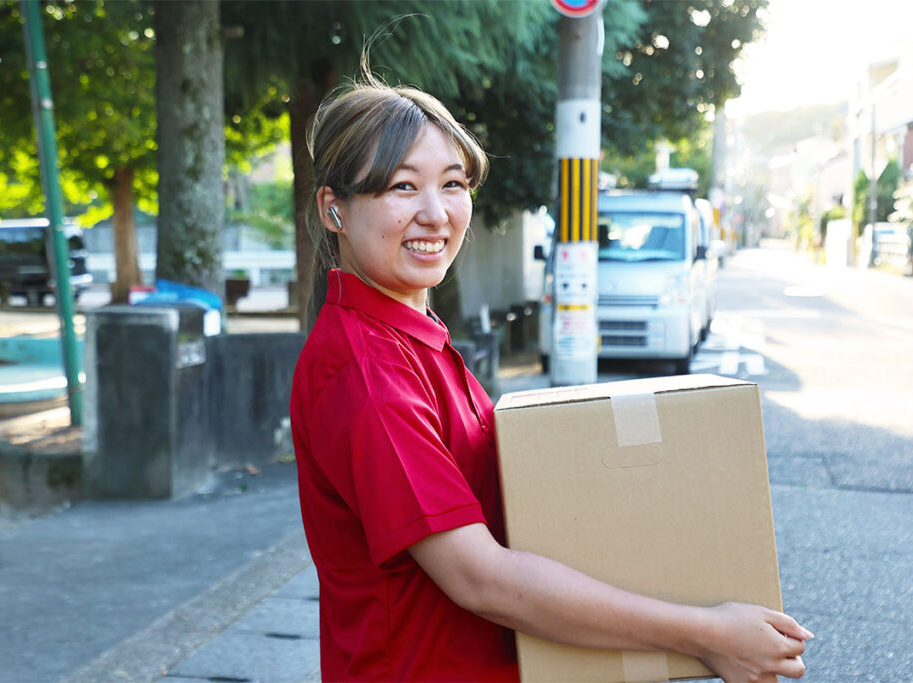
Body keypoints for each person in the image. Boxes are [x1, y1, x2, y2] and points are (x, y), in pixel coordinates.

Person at [289, 62, 813, 683]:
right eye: (403, 187)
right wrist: (706, 633)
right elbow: (480, 578)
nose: (435, 213)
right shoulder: (368, 374)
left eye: (453, 183)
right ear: (334, 210)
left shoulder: (409, 337)